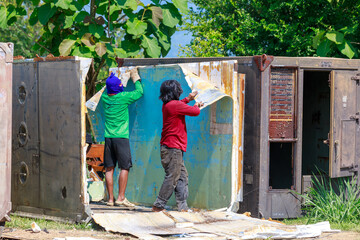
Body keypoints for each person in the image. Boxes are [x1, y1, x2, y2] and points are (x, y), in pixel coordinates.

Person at [152, 80, 204, 212]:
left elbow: (180, 104)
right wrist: (196, 104)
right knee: (172, 177)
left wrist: (188, 98)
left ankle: (182, 206)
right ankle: (158, 205)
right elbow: (195, 112)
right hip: (173, 148)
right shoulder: (174, 105)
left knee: (181, 176)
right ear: (176, 92)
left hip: (171, 148)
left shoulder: (168, 105)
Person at [101, 68, 143, 207]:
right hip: (121, 138)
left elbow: (110, 88)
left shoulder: (105, 98)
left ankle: (110, 200)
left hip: (108, 138)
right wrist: (134, 77)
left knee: (109, 168)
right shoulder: (123, 97)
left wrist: (113, 79)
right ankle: (121, 198)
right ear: (119, 87)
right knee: (124, 167)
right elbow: (139, 92)